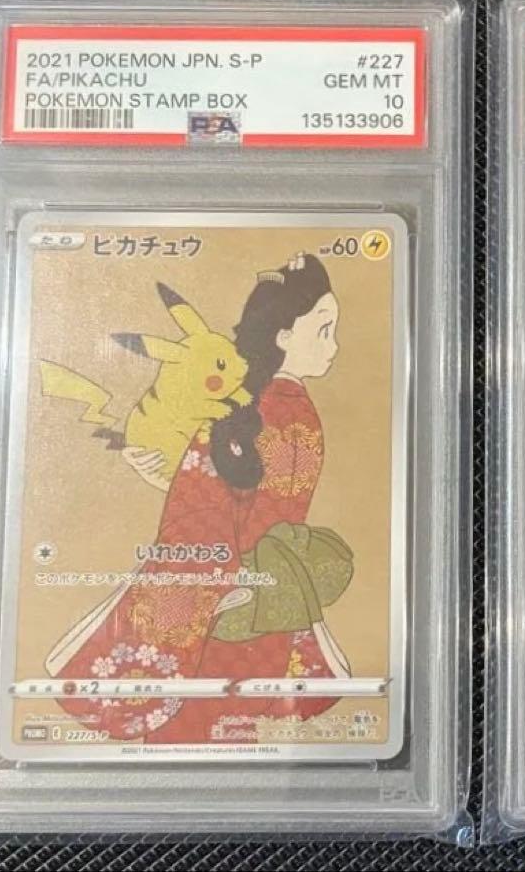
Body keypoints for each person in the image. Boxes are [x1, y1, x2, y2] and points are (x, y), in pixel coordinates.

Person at [47, 253, 349, 744]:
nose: (333, 346)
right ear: (283, 336)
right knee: (229, 734)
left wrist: (212, 572)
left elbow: (210, 505)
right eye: (323, 329)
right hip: (262, 601)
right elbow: (251, 500)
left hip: (226, 601)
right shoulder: (288, 411)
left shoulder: (249, 413)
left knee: (195, 735)